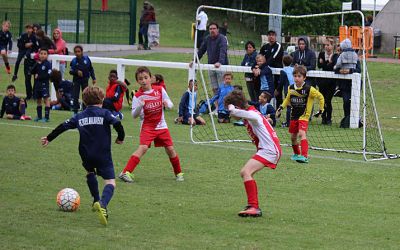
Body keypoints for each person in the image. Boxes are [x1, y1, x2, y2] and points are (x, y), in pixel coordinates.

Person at [41, 86, 125, 226]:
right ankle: (102, 204)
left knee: (90, 172)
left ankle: (95, 200)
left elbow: (63, 126)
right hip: (102, 153)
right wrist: (120, 137)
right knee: (110, 182)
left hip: (85, 153)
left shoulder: (79, 116)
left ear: (85, 102)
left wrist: (49, 138)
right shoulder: (105, 113)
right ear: (102, 99)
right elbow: (117, 123)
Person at [119, 66, 184, 183]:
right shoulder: (138, 96)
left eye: (145, 77)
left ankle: (179, 173)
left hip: (162, 125)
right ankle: (125, 172)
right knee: (143, 148)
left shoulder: (159, 90)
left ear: (151, 78)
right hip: (147, 126)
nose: (143, 80)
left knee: (170, 149)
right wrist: (140, 106)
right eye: (140, 79)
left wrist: (167, 104)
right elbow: (134, 115)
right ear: (137, 81)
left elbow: (170, 103)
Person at [224, 90, 281, 217]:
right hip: (267, 149)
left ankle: (254, 207)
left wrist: (231, 108)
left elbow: (235, 112)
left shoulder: (252, 114)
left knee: (246, 172)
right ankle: (253, 205)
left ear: (237, 107)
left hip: (269, 150)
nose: (230, 115)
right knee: (246, 173)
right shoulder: (250, 114)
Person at [276, 66, 324, 164]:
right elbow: (287, 99)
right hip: (294, 116)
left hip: (304, 116)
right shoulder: (291, 88)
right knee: (293, 137)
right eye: (295, 76)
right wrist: (281, 108)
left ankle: (304, 156)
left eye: (299, 76)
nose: (297, 78)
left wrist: (321, 110)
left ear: (304, 78)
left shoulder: (309, 89)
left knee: (302, 133)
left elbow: (321, 97)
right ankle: (296, 154)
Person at [190, 22, 228, 94]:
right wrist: (194, 60)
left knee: (222, 88)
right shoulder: (207, 38)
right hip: (210, 67)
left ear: (218, 30)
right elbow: (201, 51)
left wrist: (220, 62)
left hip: (221, 67)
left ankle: (222, 105)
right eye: (210, 29)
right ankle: (217, 105)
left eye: (214, 28)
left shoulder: (222, 38)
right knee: (214, 89)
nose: (212, 30)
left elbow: (223, 51)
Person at [334, 38, 360, 128]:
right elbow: (336, 68)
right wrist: (340, 71)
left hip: (354, 84)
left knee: (353, 102)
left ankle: (356, 120)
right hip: (344, 84)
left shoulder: (356, 56)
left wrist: (350, 70)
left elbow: (359, 70)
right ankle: (347, 119)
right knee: (346, 101)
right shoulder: (341, 56)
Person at [259, 30, 284, 106]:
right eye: (269, 35)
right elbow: (258, 58)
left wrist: (262, 66)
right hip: (268, 74)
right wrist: (255, 67)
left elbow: (272, 58)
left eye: (273, 35)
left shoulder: (278, 46)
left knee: (277, 92)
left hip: (277, 73)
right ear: (267, 37)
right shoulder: (265, 47)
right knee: (267, 92)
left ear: (275, 37)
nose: (271, 36)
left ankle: (278, 110)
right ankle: (267, 109)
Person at [69, 45, 96, 114]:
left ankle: (85, 111)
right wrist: (77, 72)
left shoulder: (86, 59)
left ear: (82, 52)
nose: (77, 53)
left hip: (85, 80)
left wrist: (93, 78)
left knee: (85, 95)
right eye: (76, 52)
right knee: (75, 96)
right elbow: (70, 71)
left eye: (79, 51)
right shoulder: (74, 61)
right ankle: (75, 112)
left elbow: (91, 69)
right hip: (76, 80)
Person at [317, 38, 339, 125]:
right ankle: (323, 118)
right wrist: (327, 63)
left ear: (332, 46)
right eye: (325, 45)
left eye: (328, 45)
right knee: (322, 100)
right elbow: (319, 65)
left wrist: (325, 63)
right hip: (322, 82)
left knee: (328, 100)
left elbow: (332, 67)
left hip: (332, 82)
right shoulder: (321, 54)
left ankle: (329, 118)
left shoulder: (335, 56)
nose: (326, 47)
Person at [32, 49, 52, 122]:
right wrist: (36, 64)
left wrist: (39, 76)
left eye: (44, 54)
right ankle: (39, 116)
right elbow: (31, 71)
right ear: (39, 55)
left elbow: (49, 75)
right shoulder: (38, 63)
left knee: (46, 100)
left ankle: (46, 117)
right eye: (41, 53)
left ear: (47, 55)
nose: (43, 55)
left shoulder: (48, 64)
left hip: (44, 85)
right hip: (37, 85)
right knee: (38, 100)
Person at [277, 55, 295, 127]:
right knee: (295, 106)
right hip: (296, 89)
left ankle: (288, 123)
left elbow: (281, 82)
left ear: (283, 62)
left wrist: (277, 90)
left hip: (288, 90)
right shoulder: (293, 69)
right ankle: (294, 122)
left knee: (288, 107)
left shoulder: (283, 71)